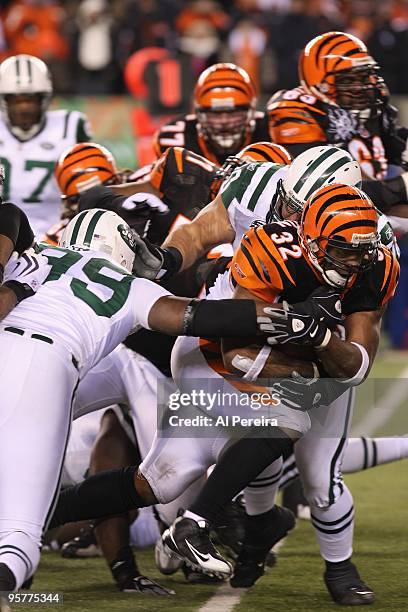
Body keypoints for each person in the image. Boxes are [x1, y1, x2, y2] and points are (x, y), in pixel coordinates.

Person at [45, 184, 398, 607]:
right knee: (274, 424)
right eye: (345, 250)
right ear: (309, 235)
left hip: (294, 370)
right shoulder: (267, 247)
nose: (358, 261)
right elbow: (238, 355)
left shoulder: (376, 265)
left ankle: (46, 515)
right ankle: (196, 522)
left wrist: (321, 341)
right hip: (209, 359)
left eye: (365, 250)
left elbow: (357, 366)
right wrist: (303, 365)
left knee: (164, 480)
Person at [0, 206, 275, 593]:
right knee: (20, 537)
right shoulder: (131, 287)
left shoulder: (34, 256)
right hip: (50, 368)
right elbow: (200, 318)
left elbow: (9, 217)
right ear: (123, 247)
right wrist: (285, 316)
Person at [267, 31, 408, 182]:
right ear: (321, 85)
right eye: (350, 80)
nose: (364, 87)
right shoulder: (297, 109)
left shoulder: (371, 107)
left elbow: (395, 149)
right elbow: (321, 186)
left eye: (366, 76)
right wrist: (402, 188)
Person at [0, 54, 92, 238]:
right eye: (16, 101)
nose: (24, 108)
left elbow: (91, 186)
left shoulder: (70, 125)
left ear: (44, 100)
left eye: (30, 100)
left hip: (56, 235)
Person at [153, 63, 270, 166]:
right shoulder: (177, 137)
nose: (224, 121)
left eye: (233, 113)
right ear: (198, 113)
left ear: (252, 111)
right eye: (215, 114)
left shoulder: (270, 130)